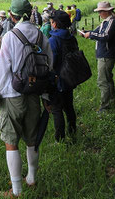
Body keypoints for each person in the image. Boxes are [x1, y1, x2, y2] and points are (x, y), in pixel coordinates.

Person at [0, 0, 53, 198]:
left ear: (11, 15)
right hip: (34, 93)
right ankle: (31, 178)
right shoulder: (42, 36)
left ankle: (16, 190)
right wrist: (44, 94)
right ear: (30, 13)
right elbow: (48, 66)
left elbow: (2, 69)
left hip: (12, 94)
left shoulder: (10, 36)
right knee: (32, 139)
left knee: (11, 141)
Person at [83, 1, 115, 113]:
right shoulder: (105, 22)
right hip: (104, 54)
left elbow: (105, 36)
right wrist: (87, 33)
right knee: (108, 80)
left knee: (103, 81)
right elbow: (96, 33)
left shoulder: (111, 22)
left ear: (107, 11)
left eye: (100, 11)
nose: (99, 13)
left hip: (106, 55)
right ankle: (112, 102)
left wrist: (91, 34)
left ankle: (105, 106)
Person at [46, 11, 77, 141]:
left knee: (57, 109)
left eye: (52, 21)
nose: (51, 23)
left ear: (56, 24)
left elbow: (51, 62)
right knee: (69, 106)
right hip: (70, 77)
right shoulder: (71, 38)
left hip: (57, 79)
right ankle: (73, 131)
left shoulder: (53, 40)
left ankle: (60, 139)